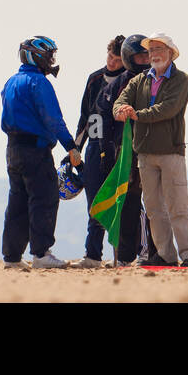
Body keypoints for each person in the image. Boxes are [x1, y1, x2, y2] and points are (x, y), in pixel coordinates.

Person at [112, 33, 188, 267]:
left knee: (178, 206)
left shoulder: (181, 80)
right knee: (153, 209)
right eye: (151, 50)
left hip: (171, 152)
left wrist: (136, 115)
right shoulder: (139, 80)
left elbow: (168, 108)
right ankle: (165, 255)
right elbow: (120, 102)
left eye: (158, 49)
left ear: (171, 52)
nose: (154, 54)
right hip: (144, 154)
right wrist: (122, 110)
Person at [0, 35, 81, 269]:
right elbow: (53, 118)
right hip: (36, 150)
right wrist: (71, 147)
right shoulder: (39, 82)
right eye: (48, 55)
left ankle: (12, 258)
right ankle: (42, 254)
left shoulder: (11, 81)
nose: (51, 60)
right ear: (35, 56)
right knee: (44, 198)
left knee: (17, 202)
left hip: (13, 150)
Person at [69, 34, 125, 268]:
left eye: (117, 59)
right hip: (93, 145)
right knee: (95, 204)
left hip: (118, 147)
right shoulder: (94, 79)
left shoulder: (128, 80)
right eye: (110, 56)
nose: (111, 62)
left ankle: (123, 256)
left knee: (121, 202)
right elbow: (85, 116)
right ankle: (93, 256)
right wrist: (74, 147)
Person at [104, 33, 153, 266]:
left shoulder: (157, 80)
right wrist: (105, 152)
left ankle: (151, 253)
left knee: (154, 204)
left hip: (152, 149)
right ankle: (125, 257)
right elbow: (101, 119)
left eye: (147, 55)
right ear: (128, 57)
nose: (144, 60)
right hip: (124, 153)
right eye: (139, 56)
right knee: (127, 205)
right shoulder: (117, 85)